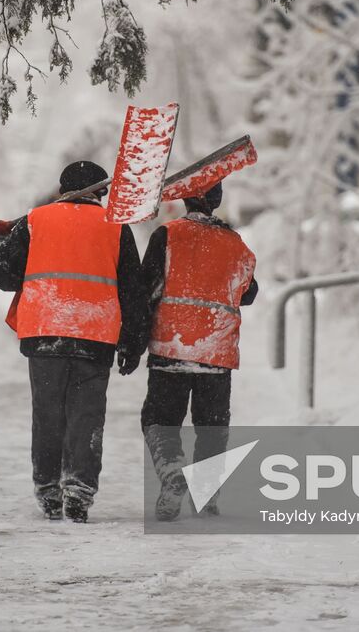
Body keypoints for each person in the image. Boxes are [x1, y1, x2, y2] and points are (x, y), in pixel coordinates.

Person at [0, 160, 145, 523]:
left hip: (44, 332)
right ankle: (79, 491)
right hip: (95, 335)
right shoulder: (117, 229)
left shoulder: (34, 220)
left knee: (48, 414)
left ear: (61, 189)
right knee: (87, 416)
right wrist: (133, 344)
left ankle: (48, 490)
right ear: (100, 193)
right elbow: (134, 290)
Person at [124, 181, 257, 521]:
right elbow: (249, 291)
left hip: (172, 346)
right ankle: (207, 493)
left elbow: (145, 289)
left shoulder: (168, 235)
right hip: (217, 351)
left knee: (160, 420)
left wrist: (133, 343)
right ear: (217, 201)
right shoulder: (235, 244)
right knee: (212, 426)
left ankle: (172, 473)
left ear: (186, 201)